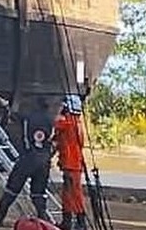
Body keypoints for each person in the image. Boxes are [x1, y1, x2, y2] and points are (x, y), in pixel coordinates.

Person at [0, 97, 54, 227]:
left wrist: (7, 106)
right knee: (39, 194)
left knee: (11, 190)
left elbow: (14, 116)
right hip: (44, 160)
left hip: (27, 159)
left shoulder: (28, 117)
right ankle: (45, 222)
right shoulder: (50, 121)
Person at [53, 95, 87, 230]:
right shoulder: (77, 123)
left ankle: (80, 222)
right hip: (73, 163)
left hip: (70, 164)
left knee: (74, 194)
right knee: (68, 193)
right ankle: (67, 221)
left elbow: (52, 124)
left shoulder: (67, 122)